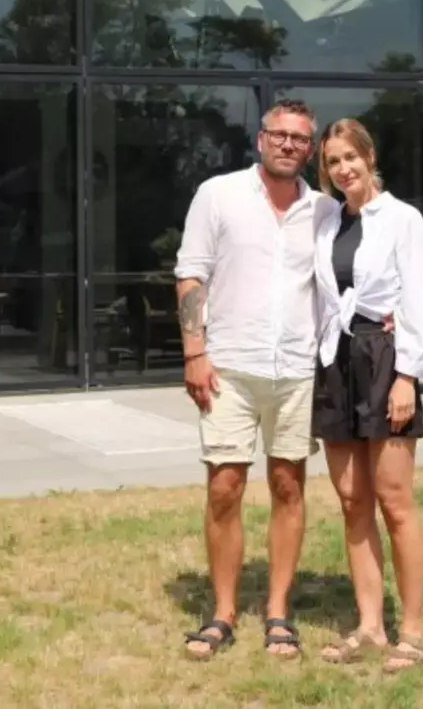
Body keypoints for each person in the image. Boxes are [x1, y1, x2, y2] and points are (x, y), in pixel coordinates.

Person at [174, 99, 333, 662]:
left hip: (295, 369)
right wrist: (195, 350)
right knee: (225, 488)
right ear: (260, 139)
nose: (288, 145)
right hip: (229, 367)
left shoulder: (326, 211)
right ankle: (221, 613)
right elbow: (191, 272)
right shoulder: (218, 195)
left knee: (289, 485)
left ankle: (278, 612)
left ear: (309, 149)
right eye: (279, 135)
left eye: (299, 139)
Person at [311, 118, 423, 673]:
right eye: (333, 162)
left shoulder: (403, 219)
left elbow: (418, 298)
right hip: (336, 361)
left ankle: (412, 630)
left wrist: (408, 374)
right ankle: (370, 626)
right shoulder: (328, 223)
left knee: (393, 498)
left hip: (385, 357)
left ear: (369, 155)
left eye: (349, 158)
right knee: (352, 499)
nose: (342, 170)